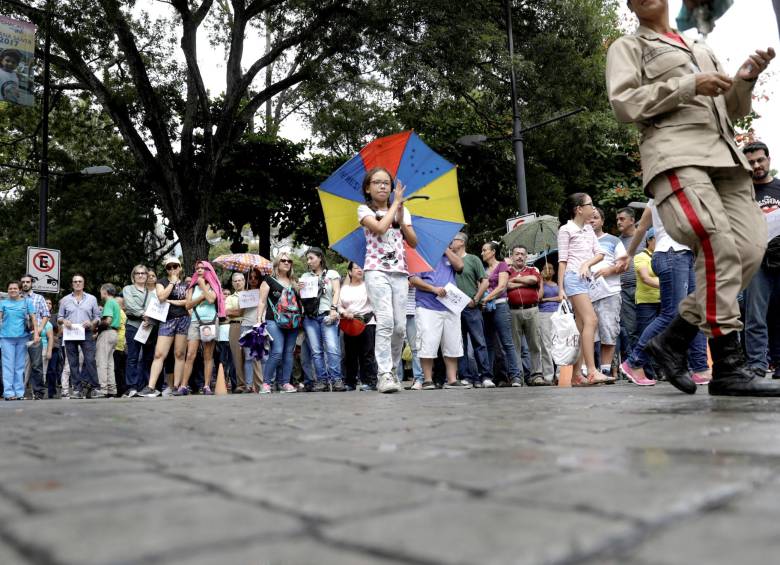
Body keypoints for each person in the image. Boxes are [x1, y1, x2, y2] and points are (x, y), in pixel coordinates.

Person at [608, 0, 779, 395]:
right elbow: (624, 103)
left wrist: (745, 81)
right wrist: (688, 85)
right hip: (677, 155)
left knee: (749, 250)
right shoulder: (629, 46)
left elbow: (730, 110)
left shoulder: (700, 49)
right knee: (714, 240)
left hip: (726, 158)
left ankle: (675, 336)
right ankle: (728, 365)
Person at [621, 204, 711, 387]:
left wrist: (629, 253)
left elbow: (642, 226)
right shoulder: (665, 191)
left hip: (685, 255)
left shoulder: (673, 191)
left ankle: (700, 368)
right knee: (671, 314)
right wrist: (629, 254)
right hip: (672, 254)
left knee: (695, 312)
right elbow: (643, 227)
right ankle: (634, 362)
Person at [358, 167, 418, 393]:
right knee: (385, 321)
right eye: (377, 182)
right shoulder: (364, 210)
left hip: (400, 272)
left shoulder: (402, 211)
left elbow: (413, 242)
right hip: (376, 271)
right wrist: (396, 205)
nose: (383, 186)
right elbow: (381, 228)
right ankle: (383, 374)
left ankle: (391, 370)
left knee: (400, 327)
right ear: (368, 188)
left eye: (386, 182)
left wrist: (401, 219)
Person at [557, 193, 609, 386]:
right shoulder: (566, 230)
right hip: (573, 278)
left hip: (585, 279)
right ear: (579, 209)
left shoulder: (588, 229)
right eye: (590, 204)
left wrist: (586, 263)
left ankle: (577, 375)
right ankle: (592, 371)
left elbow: (600, 253)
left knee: (581, 326)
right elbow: (562, 261)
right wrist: (560, 289)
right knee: (591, 320)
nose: (593, 208)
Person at [742, 142, 780, 379]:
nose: (756, 165)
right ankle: (756, 364)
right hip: (755, 261)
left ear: (768, 160)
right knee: (755, 315)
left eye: (760, 160)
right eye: (751, 162)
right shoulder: (741, 194)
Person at [409, 248, 469, 389]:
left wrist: (446, 249)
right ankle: (427, 379)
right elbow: (413, 279)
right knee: (427, 343)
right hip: (427, 305)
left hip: (450, 305)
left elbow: (460, 266)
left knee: (452, 343)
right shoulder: (421, 254)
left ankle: (452, 380)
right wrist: (433, 289)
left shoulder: (448, 255)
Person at [139, 257, 190, 398]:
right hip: (167, 319)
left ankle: (176, 386)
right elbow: (161, 297)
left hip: (183, 319)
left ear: (180, 267)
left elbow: (188, 301)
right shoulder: (161, 282)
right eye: (169, 267)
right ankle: (151, 386)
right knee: (159, 354)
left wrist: (171, 301)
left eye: (175, 266)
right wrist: (172, 282)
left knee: (179, 354)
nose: (172, 269)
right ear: (166, 269)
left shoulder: (186, 284)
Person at [449, 232, 492, 388]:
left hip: (471, 307)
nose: (450, 242)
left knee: (479, 342)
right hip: (453, 308)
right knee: (459, 343)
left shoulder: (473, 259)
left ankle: (485, 376)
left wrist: (476, 299)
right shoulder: (448, 260)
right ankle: (465, 376)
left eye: (453, 240)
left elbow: (485, 281)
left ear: (461, 242)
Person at [299, 247, 345, 392]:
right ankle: (322, 381)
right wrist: (299, 288)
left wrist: (333, 308)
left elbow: (337, 291)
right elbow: (303, 298)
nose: (309, 261)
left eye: (311, 258)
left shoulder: (332, 274)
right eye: (307, 259)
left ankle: (336, 380)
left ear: (320, 258)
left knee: (332, 348)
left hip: (327, 314)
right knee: (316, 350)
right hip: (310, 316)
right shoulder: (305, 276)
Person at [589, 208, 627, 378]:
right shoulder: (581, 241)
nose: (592, 221)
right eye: (589, 218)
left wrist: (608, 270)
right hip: (585, 295)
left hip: (609, 293)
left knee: (608, 332)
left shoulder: (613, 241)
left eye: (595, 217)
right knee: (588, 334)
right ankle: (588, 371)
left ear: (602, 221)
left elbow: (624, 264)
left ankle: (605, 371)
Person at [480, 241, 521, 388]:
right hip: (486, 308)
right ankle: (488, 377)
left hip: (500, 306)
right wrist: (483, 299)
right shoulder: (483, 269)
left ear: (493, 252)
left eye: (485, 250)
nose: (482, 253)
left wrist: (486, 298)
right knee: (489, 344)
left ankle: (515, 376)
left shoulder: (502, 265)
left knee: (507, 342)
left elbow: (502, 286)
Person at [257, 252, 300, 394]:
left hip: (292, 321)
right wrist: (259, 320)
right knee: (277, 351)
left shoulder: (294, 281)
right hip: (273, 320)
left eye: (289, 261)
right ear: (277, 263)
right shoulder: (268, 280)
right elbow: (262, 301)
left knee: (289, 352)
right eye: (283, 260)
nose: (287, 263)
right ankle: (266, 384)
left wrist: (302, 289)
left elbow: (299, 302)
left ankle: (285, 383)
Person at [180, 260, 224, 395]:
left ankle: (206, 386)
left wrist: (203, 286)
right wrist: (202, 296)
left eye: (202, 268)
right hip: (195, 321)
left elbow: (211, 299)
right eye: (197, 268)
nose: (199, 270)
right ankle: (183, 386)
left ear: (208, 270)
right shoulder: (191, 287)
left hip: (210, 321)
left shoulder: (215, 285)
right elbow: (188, 305)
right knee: (190, 354)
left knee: (208, 355)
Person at [58, 274, 102, 398]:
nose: (77, 283)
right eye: (75, 281)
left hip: (86, 332)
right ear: (72, 284)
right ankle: (77, 390)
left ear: (83, 283)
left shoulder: (92, 299)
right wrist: (64, 321)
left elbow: (97, 317)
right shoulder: (65, 299)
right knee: (73, 362)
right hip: (70, 332)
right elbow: (60, 317)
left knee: (90, 360)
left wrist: (92, 323)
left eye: (80, 281)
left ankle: (95, 388)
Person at [506, 245, 546, 386]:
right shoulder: (507, 271)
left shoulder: (532, 269)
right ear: (512, 256)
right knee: (515, 346)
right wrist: (523, 282)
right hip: (513, 311)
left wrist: (515, 280)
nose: (520, 256)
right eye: (517, 254)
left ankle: (537, 375)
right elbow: (505, 285)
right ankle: (518, 377)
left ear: (526, 257)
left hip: (532, 309)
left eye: (522, 254)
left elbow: (533, 280)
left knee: (535, 344)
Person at [338, 262, 377, 391]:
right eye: (356, 268)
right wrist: (344, 312)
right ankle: (350, 382)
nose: (360, 270)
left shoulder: (368, 286)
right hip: (349, 323)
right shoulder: (344, 289)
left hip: (367, 322)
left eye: (361, 267)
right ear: (350, 272)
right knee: (350, 354)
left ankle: (370, 382)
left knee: (367, 353)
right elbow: (339, 305)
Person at [616, 207, 645, 360]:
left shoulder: (645, 238)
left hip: (645, 288)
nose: (618, 222)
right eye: (617, 219)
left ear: (632, 220)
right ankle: (636, 363)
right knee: (630, 330)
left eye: (622, 219)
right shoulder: (617, 242)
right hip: (624, 290)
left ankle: (653, 366)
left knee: (648, 326)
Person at [0, 281, 37, 400]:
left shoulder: (27, 302)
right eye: (10, 288)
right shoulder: (2, 303)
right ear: (7, 290)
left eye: (15, 288)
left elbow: (34, 319)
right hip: (6, 338)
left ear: (20, 290)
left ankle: (19, 393)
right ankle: (8, 393)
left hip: (22, 337)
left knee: (20, 366)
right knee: (8, 366)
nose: (12, 290)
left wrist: (36, 334)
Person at [122, 265, 154, 397]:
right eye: (137, 273)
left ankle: (145, 386)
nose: (140, 275)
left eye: (143, 273)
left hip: (148, 327)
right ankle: (132, 387)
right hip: (133, 326)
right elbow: (130, 306)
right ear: (133, 275)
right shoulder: (128, 289)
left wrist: (151, 319)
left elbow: (155, 310)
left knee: (148, 358)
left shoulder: (152, 293)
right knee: (132, 357)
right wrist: (144, 315)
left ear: (147, 276)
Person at [20, 274, 50, 400]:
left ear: (31, 283)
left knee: (37, 365)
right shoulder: (17, 297)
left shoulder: (39, 298)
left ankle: (38, 393)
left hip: (34, 334)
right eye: (23, 282)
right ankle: (19, 392)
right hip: (19, 335)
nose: (25, 284)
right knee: (20, 365)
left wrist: (40, 328)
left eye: (27, 282)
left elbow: (46, 314)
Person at [537, 262, 562, 382]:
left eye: (550, 268)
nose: (548, 270)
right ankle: (548, 375)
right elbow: (539, 298)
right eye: (545, 268)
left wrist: (546, 299)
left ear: (554, 271)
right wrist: (541, 281)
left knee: (558, 343)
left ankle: (560, 374)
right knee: (546, 344)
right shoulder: (539, 283)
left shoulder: (557, 284)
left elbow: (560, 298)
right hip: (543, 314)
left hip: (557, 314)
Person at [96, 284, 121, 397]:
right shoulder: (116, 303)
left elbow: (108, 320)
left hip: (107, 333)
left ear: (105, 291)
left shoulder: (109, 302)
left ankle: (103, 389)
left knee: (101, 362)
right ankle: (112, 389)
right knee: (110, 363)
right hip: (114, 333)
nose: (100, 294)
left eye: (101, 291)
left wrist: (97, 326)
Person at [225, 273, 247, 392]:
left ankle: (252, 383)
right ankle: (241, 384)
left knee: (250, 355)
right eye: (235, 281)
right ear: (232, 283)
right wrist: (240, 310)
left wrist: (236, 311)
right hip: (235, 326)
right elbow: (227, 312)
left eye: (240, 280)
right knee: (237, 356)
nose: (238, 282)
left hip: (249, 325)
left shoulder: (251, 294)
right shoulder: (229, 298)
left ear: (244, 281)